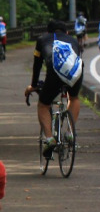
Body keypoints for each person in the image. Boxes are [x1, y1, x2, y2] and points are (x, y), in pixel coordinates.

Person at [24, 20, 84, 158]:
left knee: (43, 104)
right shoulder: (73, 40)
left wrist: (33, 85)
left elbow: (37, 65)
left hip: (54, 72)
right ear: (66, 32)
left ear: (48, 32)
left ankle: (50, 139)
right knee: (74, 98)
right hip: (76, 72)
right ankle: (70, 132)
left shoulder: (42, 39)